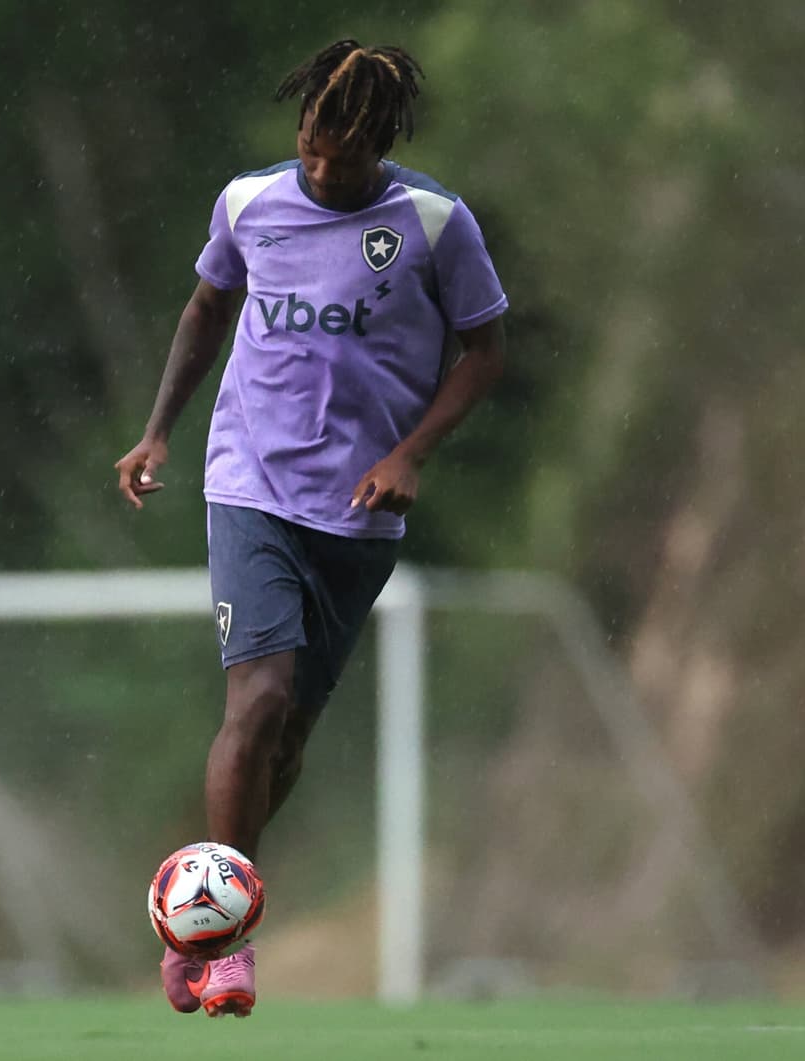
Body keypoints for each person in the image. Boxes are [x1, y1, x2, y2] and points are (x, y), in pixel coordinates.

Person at [115, 38, 507, 1018]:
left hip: (359, 513)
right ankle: (223, 944)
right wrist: (158, 429)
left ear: (382, 144)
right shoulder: (248, 203)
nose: (323, 170)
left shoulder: (433, 223)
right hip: (248, 485)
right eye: (310, 148)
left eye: (345, 156)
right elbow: (206, 309)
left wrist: (411, 452)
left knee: (285, 739)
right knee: (257, 703)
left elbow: (485, 348)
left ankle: (198, 911)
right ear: (298, 131)